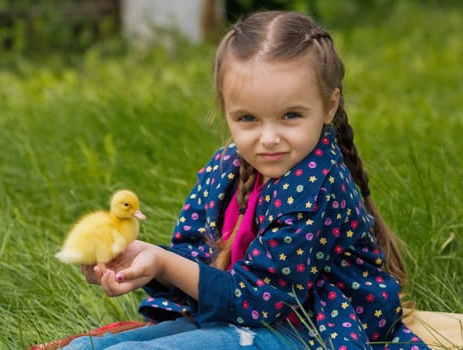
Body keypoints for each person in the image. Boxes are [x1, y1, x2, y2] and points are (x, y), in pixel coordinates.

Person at [63, 11, 428, 349]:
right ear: (226, 110)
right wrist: (139, 264)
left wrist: (162, 262)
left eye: (290, 116)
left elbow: (259, 301)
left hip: (313, 328)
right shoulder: (226, 168)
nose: (268, 138)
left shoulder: (314, 188)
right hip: (241, 317)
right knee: (86, 347)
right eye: (248, 119)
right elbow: (194, 256)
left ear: (329, 107)